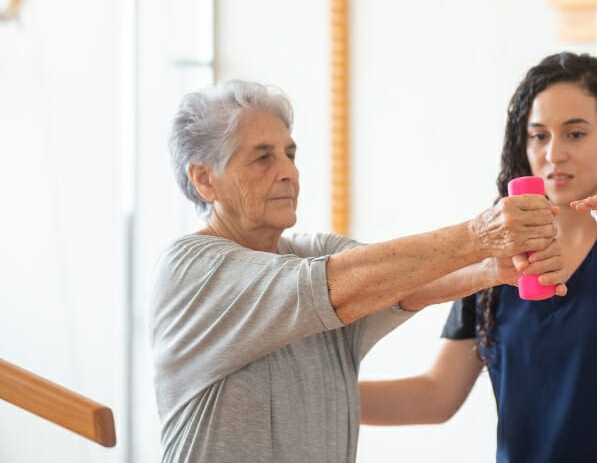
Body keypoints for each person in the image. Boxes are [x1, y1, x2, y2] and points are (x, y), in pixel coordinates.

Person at [148, 79, 563, 463]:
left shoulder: (316, 253)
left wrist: (492, 267)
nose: (288, 171)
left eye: (290, 154)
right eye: (263, 158)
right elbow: (331, 287)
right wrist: (478, 237)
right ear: (205, 180)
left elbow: (402, 283)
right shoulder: (190, 269)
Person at [359, 52, 597, 463]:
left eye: (575, 134)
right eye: (539, 136)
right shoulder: (496, 260)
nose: (553, 154)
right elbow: (436, 395)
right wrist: (315, 393)